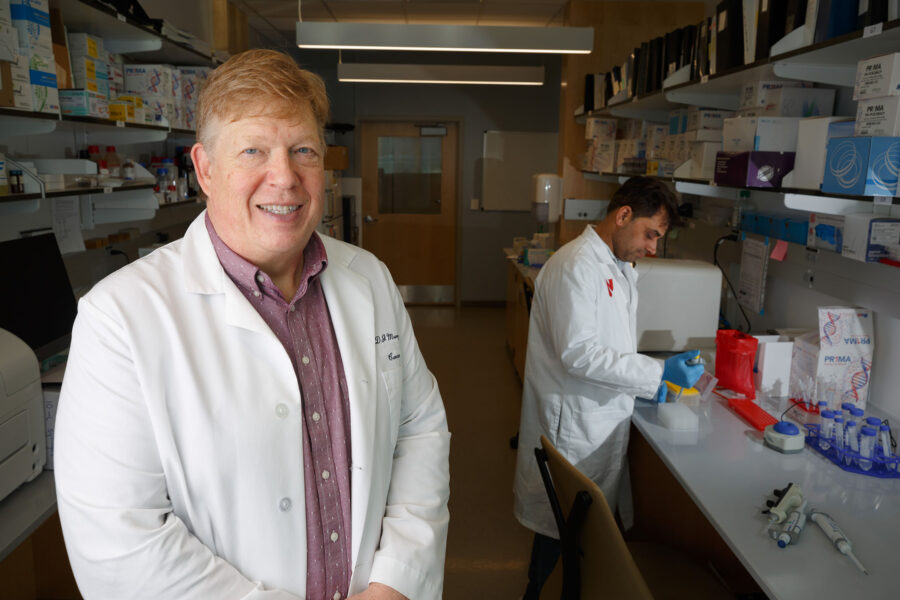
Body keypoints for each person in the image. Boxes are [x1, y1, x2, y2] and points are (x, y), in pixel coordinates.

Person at [54, 49, 450, 600]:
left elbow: (420, 428)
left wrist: (397, 580)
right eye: (253, 151)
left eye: (303, 150)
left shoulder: (370, 279)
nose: (284, 177)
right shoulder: (119, 319)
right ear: (206, 170)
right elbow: (120, 542)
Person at [512, 176, 703, 598]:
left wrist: (654, 378)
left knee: (575, 527)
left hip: (597, 416)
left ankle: (550, 591)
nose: (653, 247)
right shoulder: (576, 266)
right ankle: (536, 592)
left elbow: (608, 346)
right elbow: (579, 354)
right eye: (650, 234)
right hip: (574, 424)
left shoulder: (616, 266)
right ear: (622, 216)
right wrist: (657, 374)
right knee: (563, 525)